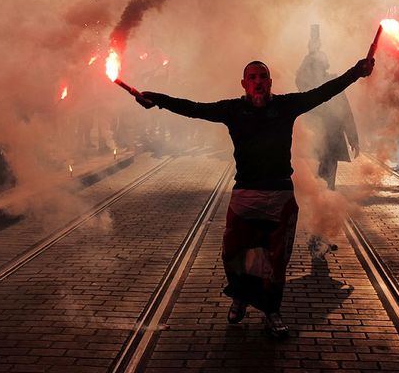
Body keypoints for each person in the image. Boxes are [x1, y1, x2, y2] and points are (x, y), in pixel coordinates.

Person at [135, 55, 374, 338]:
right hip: (245, 194)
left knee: (276, 260)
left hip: (280, 194)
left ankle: (272, 311)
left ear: (270, 83)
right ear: (244, 84)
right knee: (233, 253)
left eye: (263, 78)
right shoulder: (233, 110)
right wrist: (158, 99)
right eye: (252, 78)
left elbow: (323, 93)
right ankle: (240, 297)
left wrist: (356, 72)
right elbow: (194, 109)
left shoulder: (286, 106)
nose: (258, 82)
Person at [295, 25, 360, 190]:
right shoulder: (306, 84)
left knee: (328, 184)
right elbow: (300, 78)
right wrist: (312, 52)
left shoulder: (333, 84)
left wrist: (353, 139)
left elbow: (345, 112)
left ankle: (327, 209)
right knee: (313, 182)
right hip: (312, 139)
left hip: (331, 139)